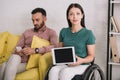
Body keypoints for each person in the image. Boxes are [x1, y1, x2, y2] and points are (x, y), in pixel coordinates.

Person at [0, 8, 58, 80]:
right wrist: (18, 51)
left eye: (37, 20)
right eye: (33, 20)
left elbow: (55, 47)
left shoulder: (51, 32)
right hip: (19, 60)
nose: (34, 23)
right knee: (10, 60)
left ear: (45, 19)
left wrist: (35, 50)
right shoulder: (27, 32)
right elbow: (17, 47)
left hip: (30, 63)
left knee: (4, 66)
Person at [48, 3, 95, 80]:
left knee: (65, 72)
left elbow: (91, 56)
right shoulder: (63, 31)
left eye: (78, 13)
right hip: (67, 63)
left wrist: (81, 61)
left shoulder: (88, 33)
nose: (75, 16)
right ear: (68, 17)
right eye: (71, 14)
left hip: (82, 64)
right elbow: (60, 51)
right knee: (53, 70)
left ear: (82, 15)